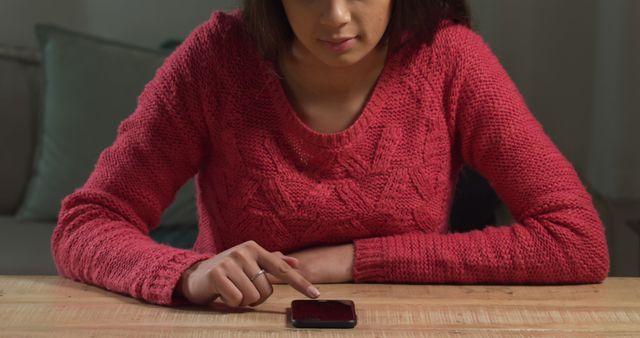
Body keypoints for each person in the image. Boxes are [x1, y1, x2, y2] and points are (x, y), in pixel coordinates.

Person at [51, 0, 610, 309]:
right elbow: (86, 223)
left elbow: (576, 238)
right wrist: (190, 273)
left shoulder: (450, 59)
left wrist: (348, 260)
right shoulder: (215, 60)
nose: (336, 16)